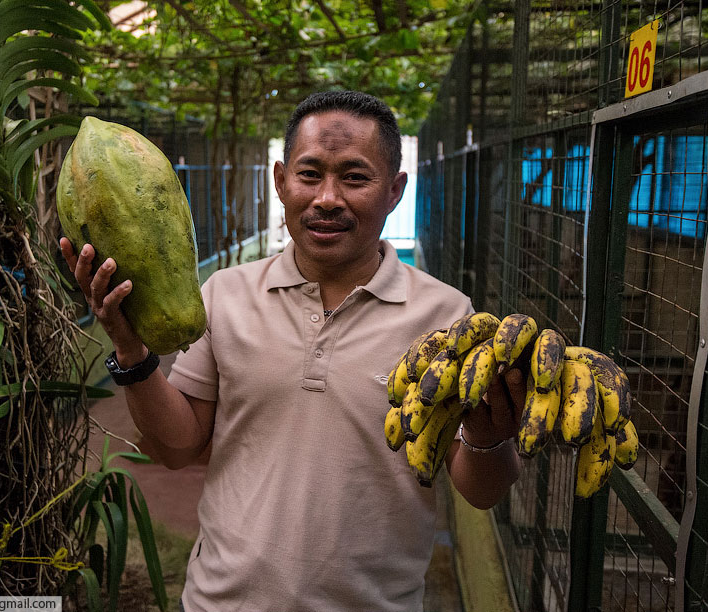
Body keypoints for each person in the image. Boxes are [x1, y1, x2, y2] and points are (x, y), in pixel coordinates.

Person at [60, 90, 524, 612]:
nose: (328, 198)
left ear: (395, 190)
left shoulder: (446, 318)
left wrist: (487, 435)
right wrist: (129, 346)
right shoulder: (224, 295)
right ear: (281, 181)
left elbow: (481, 491)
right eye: (309, 174)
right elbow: (177, 447)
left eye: (355, 177)